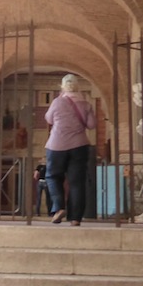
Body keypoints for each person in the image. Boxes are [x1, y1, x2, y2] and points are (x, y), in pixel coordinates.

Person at [44, 73, 96, 226]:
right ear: (77, 86)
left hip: (56, 146)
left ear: (62, 86)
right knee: (77, 182)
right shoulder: (86, 104)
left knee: (53, 176)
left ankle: (59, 207)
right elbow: (92, 125)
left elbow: (48, 119)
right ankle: (75, 218)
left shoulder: (57, 102)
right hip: (79, 146)